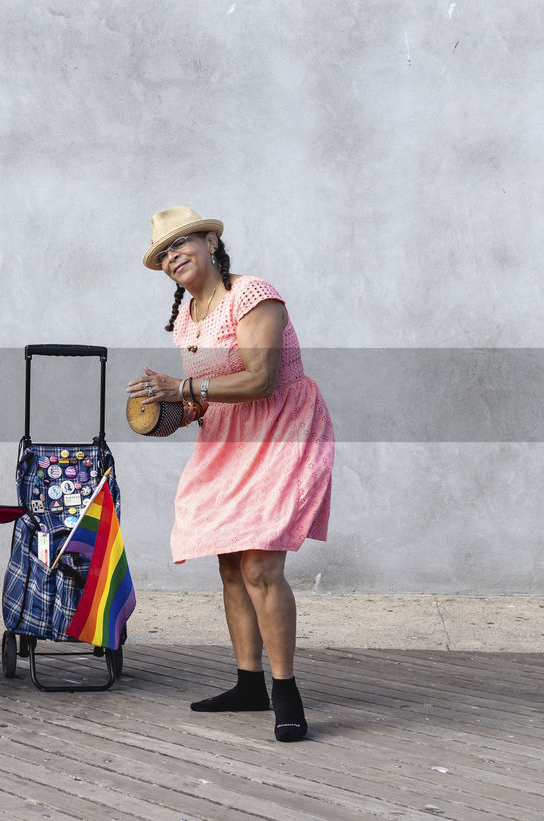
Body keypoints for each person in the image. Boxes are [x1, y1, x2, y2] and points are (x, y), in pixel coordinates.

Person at [127, 206, 334, 742]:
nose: (173, 257)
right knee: (229, 566)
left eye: (181, 244)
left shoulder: (253, 294)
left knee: (261, 565)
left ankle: (286, 693)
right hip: (226, 439)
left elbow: (261, 379)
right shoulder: (186, 319)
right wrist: (166, 408)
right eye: (163, 255)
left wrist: (186, 390)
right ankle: (248, 684)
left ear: (211, 244)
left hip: (282, 429)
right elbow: (201, 397)